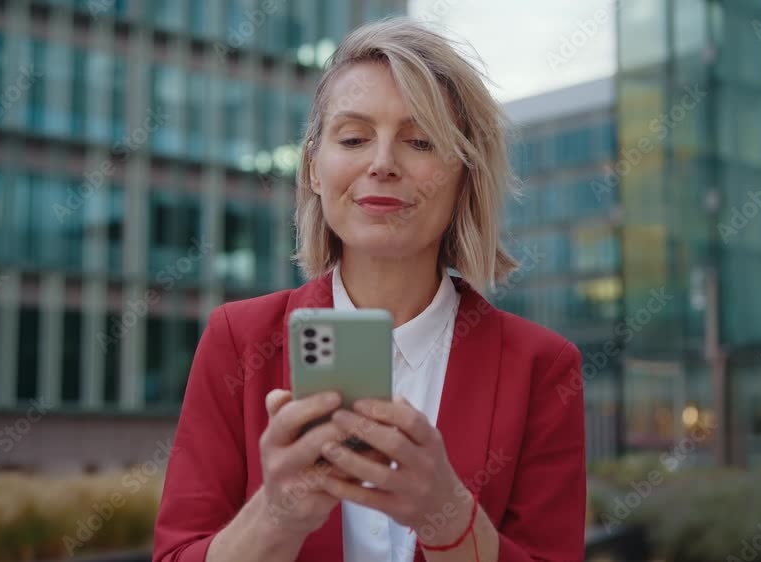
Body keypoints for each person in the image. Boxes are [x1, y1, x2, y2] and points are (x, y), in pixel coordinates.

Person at [152, 16, 585, 562]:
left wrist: (445, 515)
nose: (382, 164)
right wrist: (277, 513)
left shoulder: (542, 368)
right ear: (313, 168)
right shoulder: (238, 339)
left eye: (420, 141)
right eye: (354, 138)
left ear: (464, 176)